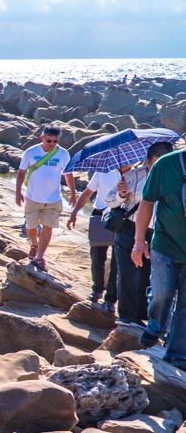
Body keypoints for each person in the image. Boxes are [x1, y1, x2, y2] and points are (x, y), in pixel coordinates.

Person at [133, 143, 186, 370]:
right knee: (162, 294)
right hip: (165, 244)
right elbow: (147, 202)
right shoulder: (165, 164)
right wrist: (138, 241)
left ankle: (177, 353)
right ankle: (155, 327)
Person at [109, 145, 173, 325]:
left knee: (150, 275)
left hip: (158, 231)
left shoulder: (174, 176)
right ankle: (126, 316)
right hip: (129, 229)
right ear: (148, 160)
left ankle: (142, 316)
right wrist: (121, 194)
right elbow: (109, 199)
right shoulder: (133, 176)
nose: (160, 167)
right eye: (156, 163)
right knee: (127, 272)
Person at [15, 125, 75, 271]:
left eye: (55, 141)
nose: (52, 144)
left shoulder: (63, 154)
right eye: (49, 140)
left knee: (48, 229)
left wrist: (73, 193)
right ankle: (34, 244)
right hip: (32, 197)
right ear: (42, 138)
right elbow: (21, 172)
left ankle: (40, 257)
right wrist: (18, 192)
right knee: (31, 227)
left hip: (54, 199)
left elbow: (68, 174)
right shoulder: (31, 152)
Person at [67, 167, 120, 310]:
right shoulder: (103, 171)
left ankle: (111, 299)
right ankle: (97, 290)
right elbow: (87, 193)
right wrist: (74, 212)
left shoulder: (134, 174)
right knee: (97, 256)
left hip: (122, 218)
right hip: (101, 214)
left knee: (118, 261)